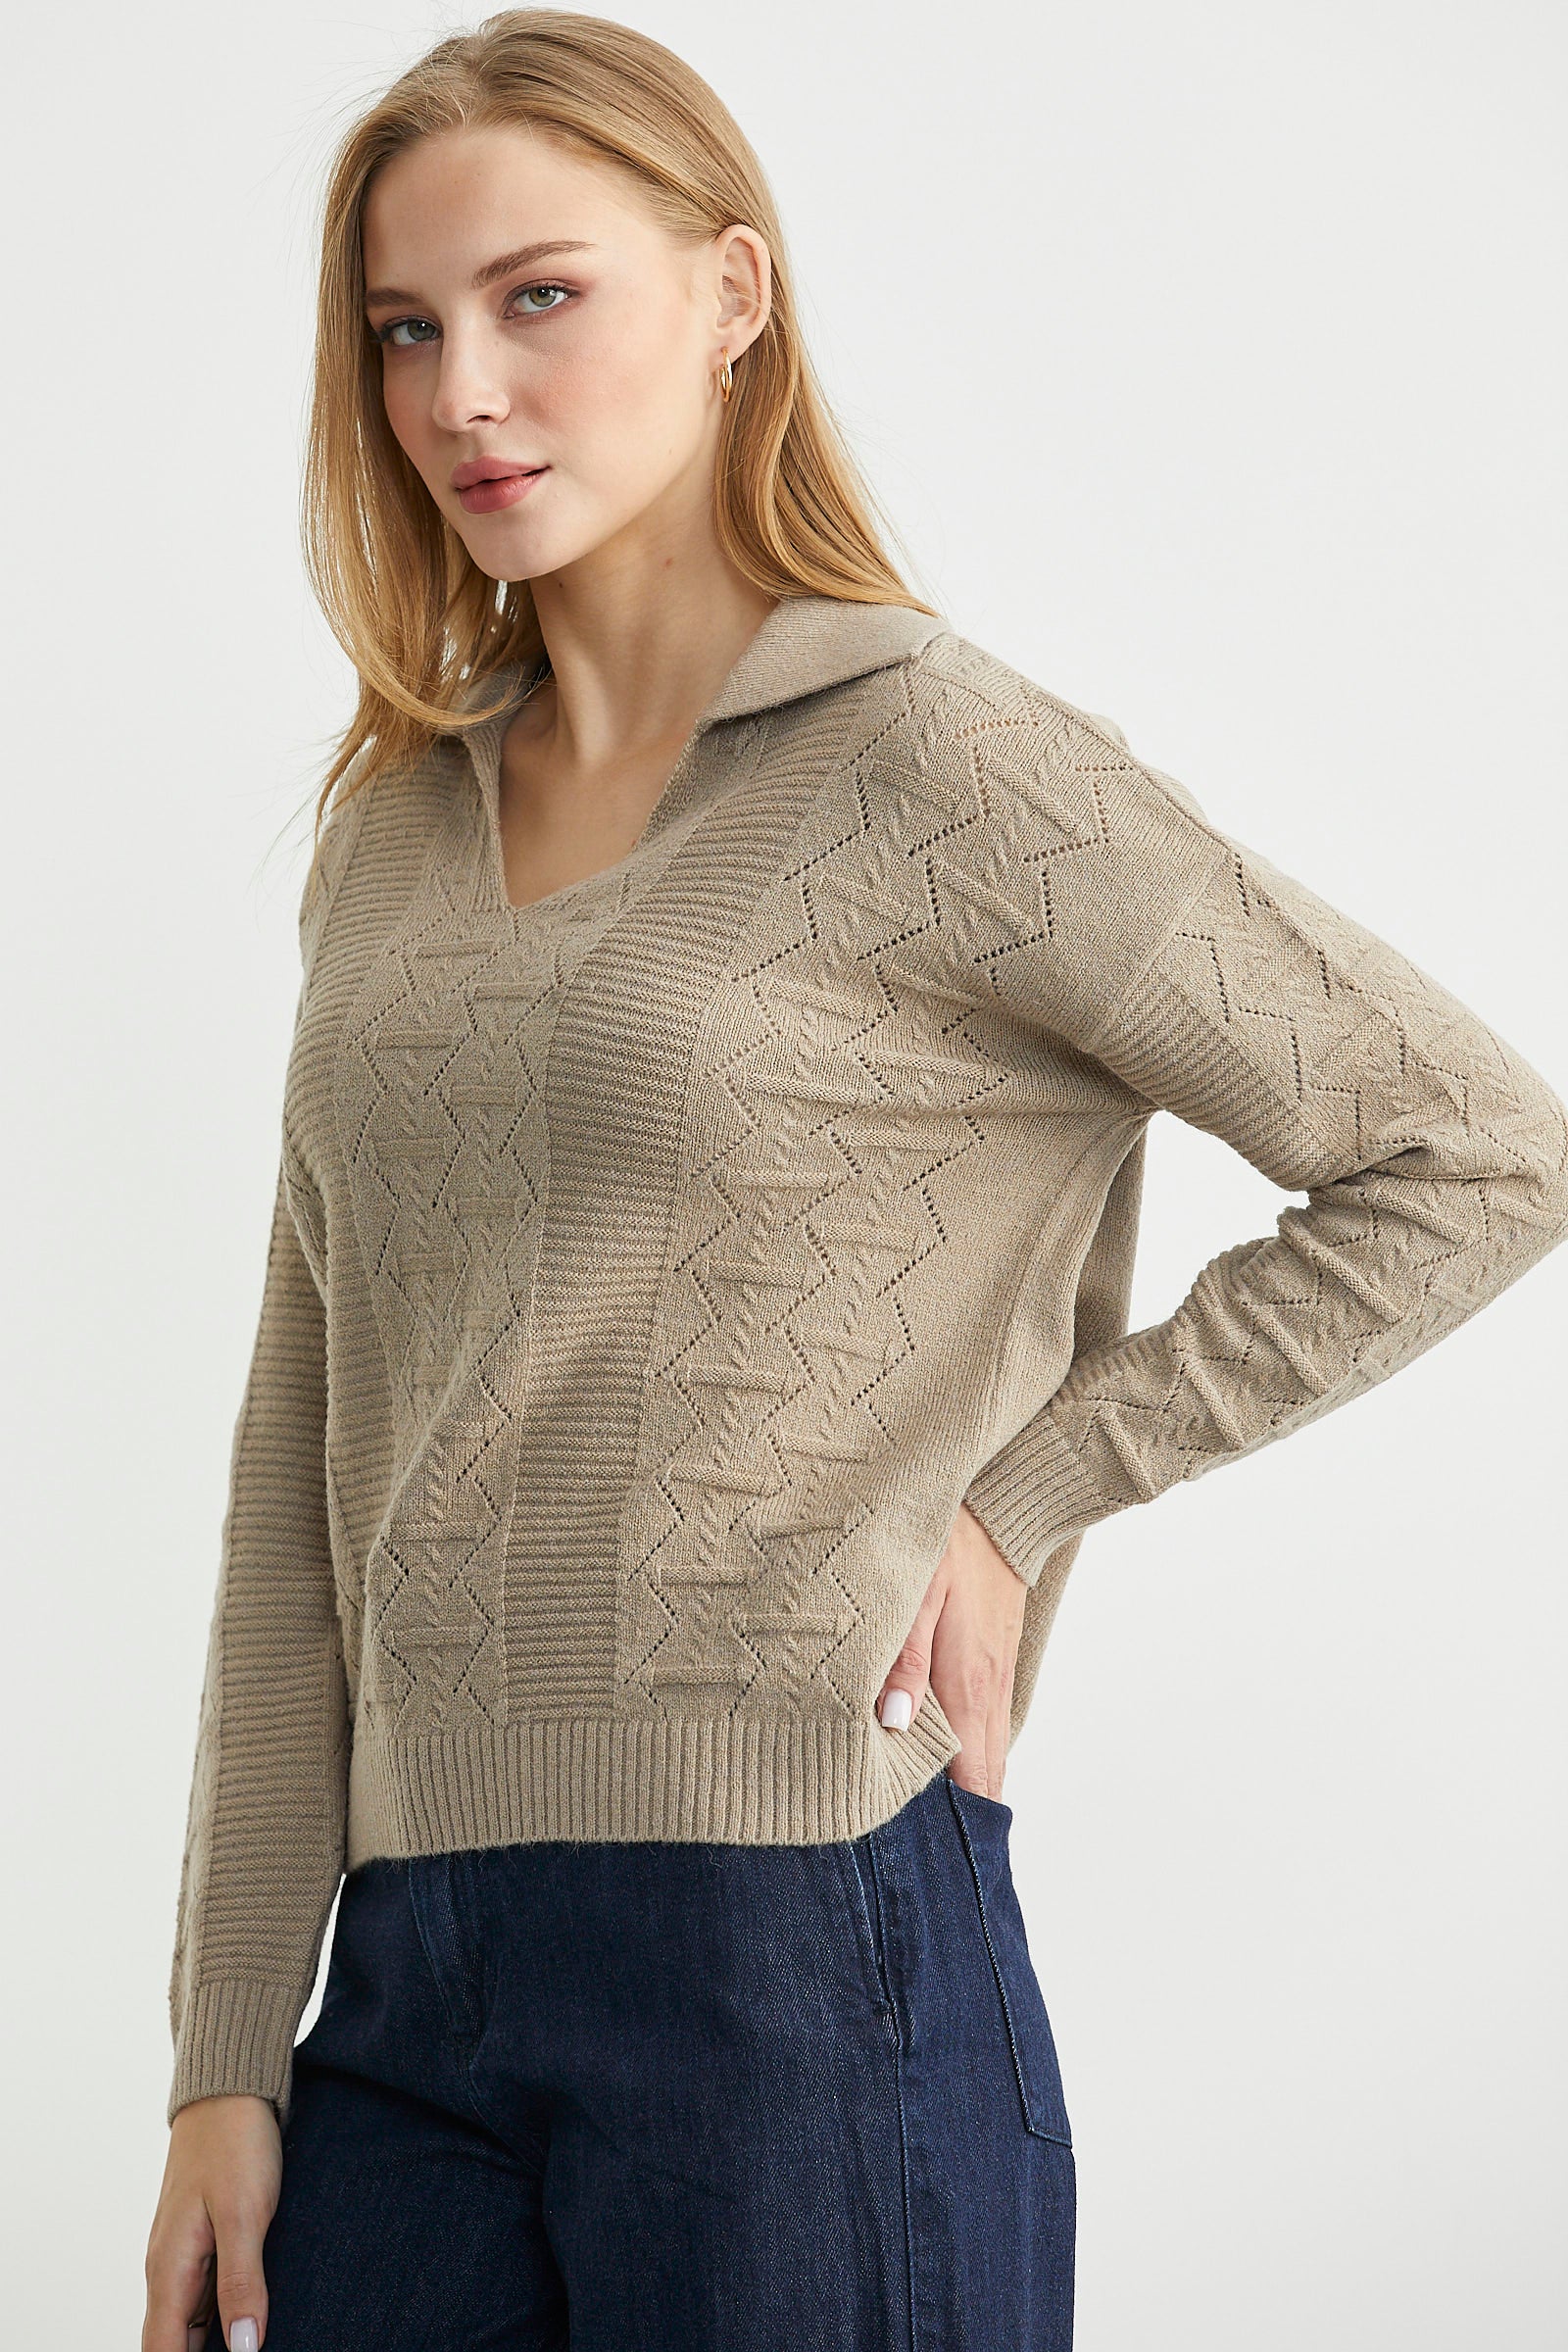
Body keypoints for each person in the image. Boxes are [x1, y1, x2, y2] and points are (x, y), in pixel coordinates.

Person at [140, 14, 1568, 2352]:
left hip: (796, 1934)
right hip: (398, 1991)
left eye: (536, 297)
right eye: (401, 330)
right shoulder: (391, 829)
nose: (460, 394)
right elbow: (299, 1451)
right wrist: (223, 2046)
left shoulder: (944, 766)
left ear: (730, 295)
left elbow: (1472, 1149)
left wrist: (1025, 1497)